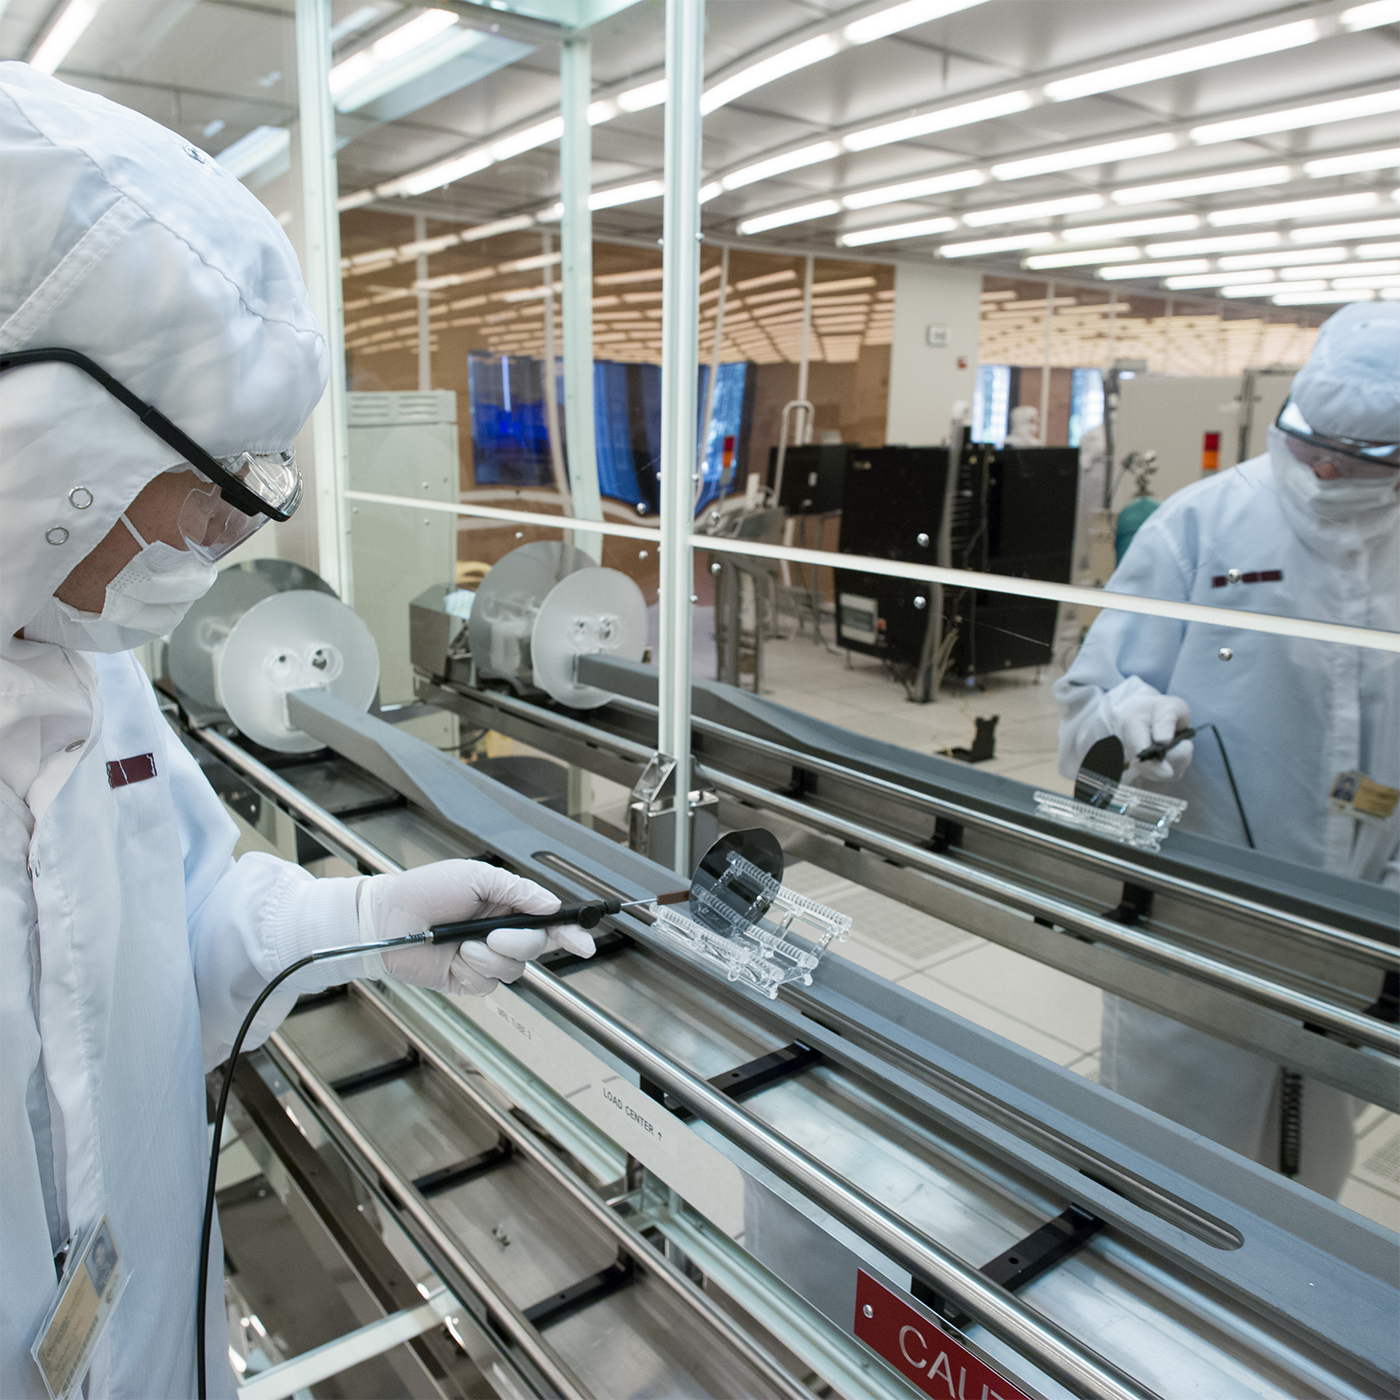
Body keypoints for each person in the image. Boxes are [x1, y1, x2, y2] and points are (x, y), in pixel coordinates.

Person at [0, 65, 592, 1397]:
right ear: (44, 444)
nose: (218, 545)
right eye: (212, 492)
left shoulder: (91, 668)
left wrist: (367, 921)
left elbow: (175, 932)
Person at [1055, 301, 1399, 1197]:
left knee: (1310, 1168)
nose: (1324, 468)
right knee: (1168, 1165)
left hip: (1352, 925)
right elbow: (1088, 700)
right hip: (1194, 916)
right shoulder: (1202, 525)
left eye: (1357, 460)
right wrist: (1124, 731)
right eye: (1312, 444)